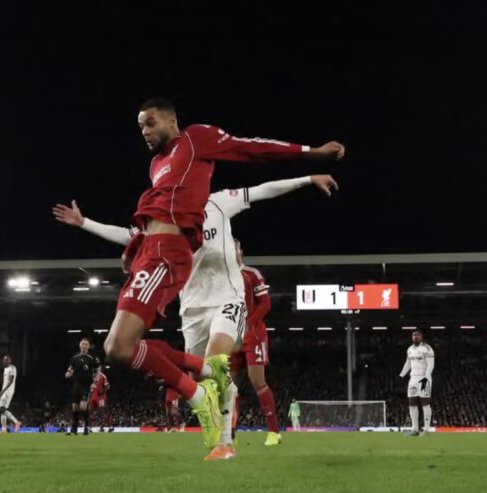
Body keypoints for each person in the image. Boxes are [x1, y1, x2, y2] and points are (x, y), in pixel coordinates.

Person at [59, 98, 343, 452]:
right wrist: (92, 225)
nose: (144, 132)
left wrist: (310, 157)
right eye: (140, 127)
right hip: (184, 293)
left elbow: (251, 150)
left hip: (215, 288)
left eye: (150, 123)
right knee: (126, 348)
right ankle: (206, 392)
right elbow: (133, 231)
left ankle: (223, 438)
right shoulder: (156, 166)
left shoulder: (202, 156)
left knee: (195, 359)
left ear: (172, 120)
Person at [232, 241, 281, 446]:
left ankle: (273, 432)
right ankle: (229, 433)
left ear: (240, 252)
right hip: (232, 337)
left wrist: (248, 324)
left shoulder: (251, 274)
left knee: (256, 381)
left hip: (253, 335)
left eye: (234, 248)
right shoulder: (221, 278)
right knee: (229, 385)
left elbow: (266, 303)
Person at [400, 329, 435, 436]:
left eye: (417, 335)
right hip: (413, 379)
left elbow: (430, 364)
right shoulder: (410, 349)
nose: (415, 337)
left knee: (425, 403)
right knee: (412, 403)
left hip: (423, 379)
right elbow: (408, 363)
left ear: (421, 336)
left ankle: (426, 430)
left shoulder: (427, 348)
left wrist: (427, 377)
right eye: (414, 335)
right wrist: (402, 374)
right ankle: (415, 429)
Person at [65, 338, 99, 435]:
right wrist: (68, 373)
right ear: (80, 345)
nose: (84, 345)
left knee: (83, 406)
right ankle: (74, 429)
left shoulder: (91, 357)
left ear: (88, 346)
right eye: (82, 344)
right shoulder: (75, 357)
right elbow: (70, 368)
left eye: (86, 344)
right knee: (75, 407)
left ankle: (86, 427)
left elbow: (98, 368)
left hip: (86, 385)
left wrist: (95, 381)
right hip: (76, 384)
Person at [0, 355, 22, 433]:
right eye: (4, 360)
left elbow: (11, 381)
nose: (5, 361)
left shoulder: (12, 368)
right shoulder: (5, 369)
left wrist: (3, 390)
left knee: (1, 408)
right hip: (5, 391)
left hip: (8, 391)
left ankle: (16, 422)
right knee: (3, 410)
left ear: (10, 360)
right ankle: (4, 429)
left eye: (7, 359)